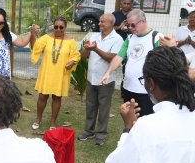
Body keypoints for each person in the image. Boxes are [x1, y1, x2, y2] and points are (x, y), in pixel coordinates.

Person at [101, 9, 161, 116]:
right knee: (129, 119)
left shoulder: (156, 37)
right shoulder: (130, 38)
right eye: (128, 25)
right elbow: (119, 57)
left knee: (144, 121)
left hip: (146, 92)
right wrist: (108, 72)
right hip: (128, 88)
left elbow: (163, 63)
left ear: (142, 21)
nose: (130, 28)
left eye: (133, 25)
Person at [78, 14, 123, 145]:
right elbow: (83, 57)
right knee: (90, 106)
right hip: (91, 78)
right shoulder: (94, 36)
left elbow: (112, 58)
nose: (99, 24)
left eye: (103, 22)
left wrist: (96, 49)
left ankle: (101, 135)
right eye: (100, 21)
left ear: (110, 24)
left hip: (105, 80)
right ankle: (88, 131)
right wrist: (87, 49)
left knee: (104, 108)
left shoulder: (117, 39)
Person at [30, 16, 80, 130]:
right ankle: (38, 119)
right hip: (47, 72)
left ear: (65, 27)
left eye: (61, 27)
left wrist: (72, 61)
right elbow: (35, 47)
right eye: (56, 27)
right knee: (42, 96)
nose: (58, 29)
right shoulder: (46, 38)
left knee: (57, 98)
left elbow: (76, 55)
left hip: (61, 74)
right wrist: (33, 35)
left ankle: (53, 122)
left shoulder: (71, 41)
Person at [0, 7, 35, 77]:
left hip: (4, 76)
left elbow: (22, 42)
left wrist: (31, 32)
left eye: (1, 23)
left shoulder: (8, 34)